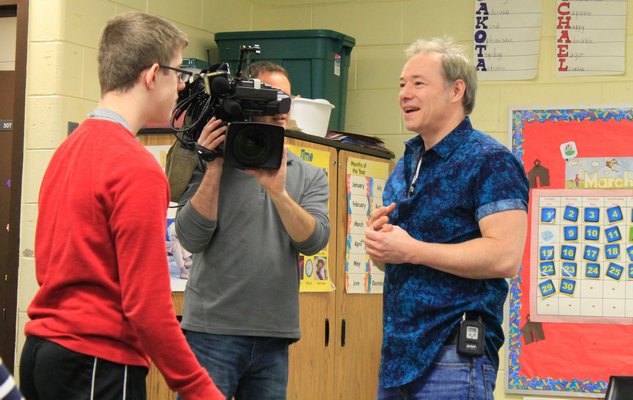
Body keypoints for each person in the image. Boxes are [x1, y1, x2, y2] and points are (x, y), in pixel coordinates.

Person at [19, 11, 224, 400]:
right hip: (94, 362)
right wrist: (201, 390)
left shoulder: (68, 150)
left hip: (41, 357)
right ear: (151, 75)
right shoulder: (136, 167)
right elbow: (147, 308)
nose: (181, 87)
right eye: (177, 73)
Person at [364, 37, 529, 400]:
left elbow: (505, 257)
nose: (404, 93)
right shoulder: (405, 165)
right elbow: (397, 257)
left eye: (418, 83)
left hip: (452, 355)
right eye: (402, 84)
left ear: (457, 90)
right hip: (397, 357)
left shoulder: (490, 161)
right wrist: (382, 247)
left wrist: (411, 250)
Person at [175, 61, 330, 400]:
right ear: (246, 102)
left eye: (287, 100)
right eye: (272, 99)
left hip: (273, 337)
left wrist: (279, 193)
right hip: (210, 332)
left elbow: (314, 241)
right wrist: (214, 166)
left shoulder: (310, 174)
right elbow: (190, 237)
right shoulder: (208, 161)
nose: (281, 110)